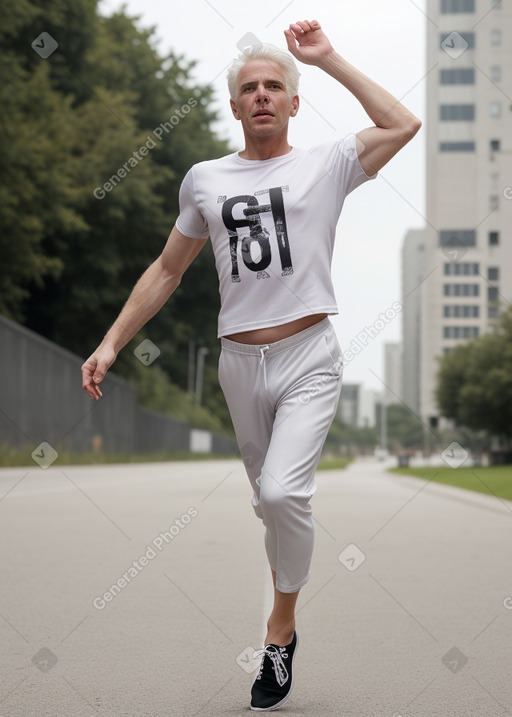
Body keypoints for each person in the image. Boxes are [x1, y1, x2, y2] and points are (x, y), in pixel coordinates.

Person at [81, 19, 421, 712]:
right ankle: (283, 621)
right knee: (269, 505)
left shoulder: (328, 163)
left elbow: (402, 122)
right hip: (239, 363)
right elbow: (168, 269)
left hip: (308, 357)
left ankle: (280, 627)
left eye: (274, 87)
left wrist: (327, 61)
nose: (262, 96)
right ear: (234, 106)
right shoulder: (205, 179)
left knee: (281, 495)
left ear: (293, 103)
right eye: (249, 89)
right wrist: (112, 340)